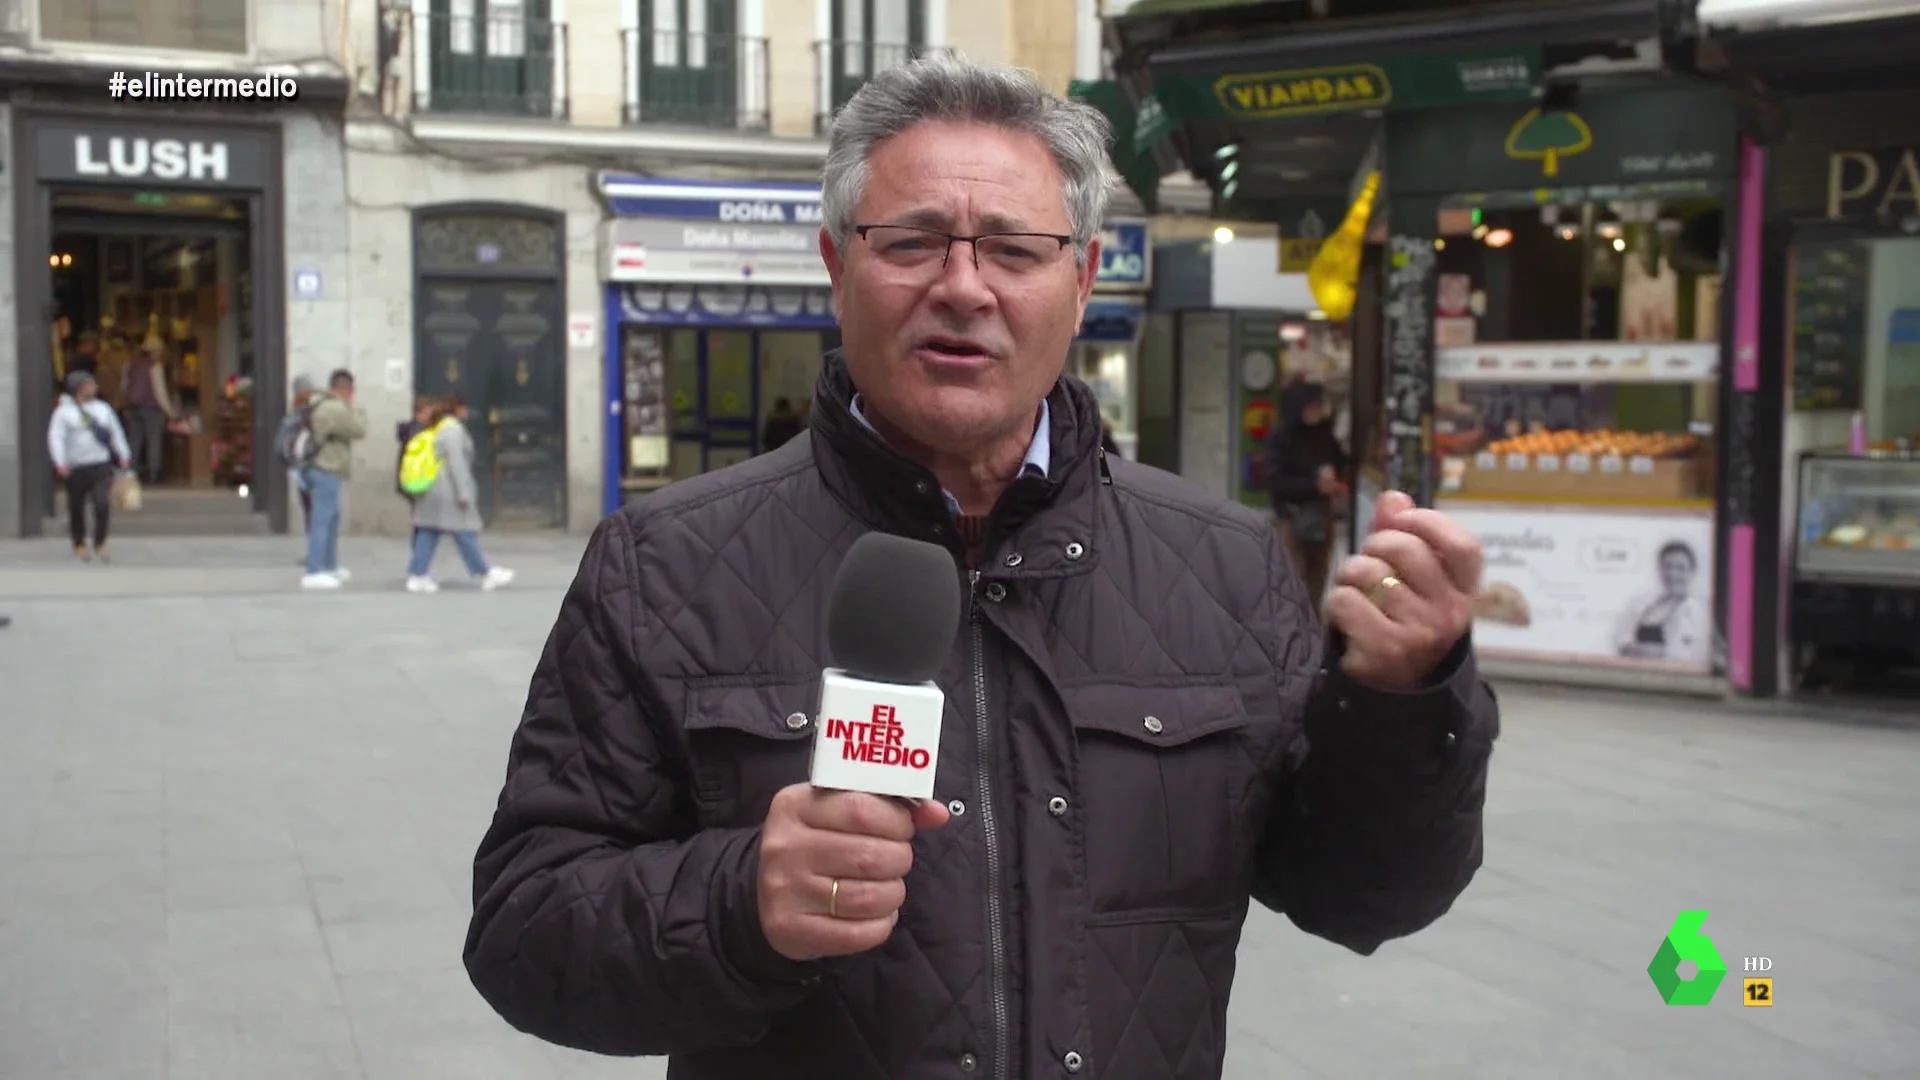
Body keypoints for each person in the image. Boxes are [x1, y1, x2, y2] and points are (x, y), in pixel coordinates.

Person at [464, 56, 1497, 1080]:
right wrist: (739, 902)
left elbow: (1367, 895)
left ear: (1082, 280)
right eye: (912, 242)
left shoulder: (1223, 563)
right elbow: (524, 932)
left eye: (1013, 249)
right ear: (836, 265)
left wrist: (1405, 700)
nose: (963, 286)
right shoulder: (664, 564)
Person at [404, 394, 514, 593]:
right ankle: (484, 573)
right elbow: (457, 464)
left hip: (430, 488)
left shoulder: (436, 428)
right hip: (448, 491)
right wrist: (464, 494)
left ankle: (417, 575)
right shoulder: (452, 430)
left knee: (428, 531)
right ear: (458, 410)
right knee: (465, 533)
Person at [1266, 378, 1350, 607]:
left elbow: (1341, 461)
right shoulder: (1281, 438)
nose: (1318, 410)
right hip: (1293, 517)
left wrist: (1338, 478)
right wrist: (1314, 485)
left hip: (1322, 516)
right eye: (1313, 405)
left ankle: (1311, 624)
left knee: (1318, 575)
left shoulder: (1324, 434)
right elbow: (1276, 482)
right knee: (1294, 577)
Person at [48, 370, 131, 563]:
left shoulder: (103, 409)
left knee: (102, 504)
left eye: (93, 384)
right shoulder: (64, 412)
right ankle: (79, 543)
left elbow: (115, 432)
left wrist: (123, 455)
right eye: (88, 385)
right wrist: (60, 462)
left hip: (100, 465)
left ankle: (100, 542)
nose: (93, 388)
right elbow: (56, 438)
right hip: (76, 466)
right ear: (78, 388)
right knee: (76, 506)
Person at [300, 369, 367, 590]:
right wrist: (356, 407)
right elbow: (359, 429)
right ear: (346, 388)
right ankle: (314, 570)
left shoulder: (319, 403)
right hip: (327, 468)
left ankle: (329, 566)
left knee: (329, 520)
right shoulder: (335, 408)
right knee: (323, 520)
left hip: (320, 468)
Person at [1615, 540, 1712, 666]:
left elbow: (1690, 655)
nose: (1672, 574)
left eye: (1680, 568)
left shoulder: (1700, 612)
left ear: (1692, 572)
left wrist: (1641, 651)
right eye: (1668, 566)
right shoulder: (1641, 605)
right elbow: (1620, 642)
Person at [121, 341, 179, 485]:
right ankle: (154, 474)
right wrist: (170, 411)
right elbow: (159, 392)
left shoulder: (129, 364)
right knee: (154, 440)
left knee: (134, 441)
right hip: (152, 409)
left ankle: (131, 472)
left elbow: (123, 387)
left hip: (134, 407)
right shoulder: (155, 366)